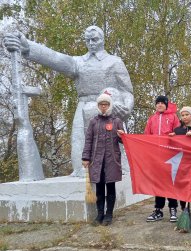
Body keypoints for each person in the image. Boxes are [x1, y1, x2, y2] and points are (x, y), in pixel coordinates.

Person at [4, 26, 134, 177]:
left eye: (95, 39)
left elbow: (127, 91)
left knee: (111, 148)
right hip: (83, 106)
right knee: (79, 148)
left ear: (103, 40)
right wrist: (27, 47)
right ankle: (81, 173)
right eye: (88, 40)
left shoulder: (115, 62)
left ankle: (117, 170)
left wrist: (126, 107)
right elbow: (55, 58)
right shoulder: (78, 62)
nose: (91, 43)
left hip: (108, 109)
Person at [82, 93, 125, 226]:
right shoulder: (93, 122)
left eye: (106, 104)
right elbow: (88, 140)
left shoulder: (117, 121)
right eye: (101, 104)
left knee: (110, 187)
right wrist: (85, 157)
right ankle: (99, 214)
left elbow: (123, 141)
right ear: (98, 106)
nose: (103, 107)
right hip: (97, 161)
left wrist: (122, 136)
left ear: (110, 105)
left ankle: (109, 214)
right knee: (99, 188)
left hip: (111, 160)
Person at [145, 95, 180, 222]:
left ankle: (173, 208)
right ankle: (158, 210)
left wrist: (175, 135)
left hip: (170, 155)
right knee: (158, 183)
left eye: (162, 103)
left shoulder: (173, 117)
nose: (159, 105)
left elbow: (178, 134)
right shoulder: (152, 119)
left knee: (170, 182)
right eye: (157, 103)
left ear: (166, 105)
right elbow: (147, 136)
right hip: (156, 156)